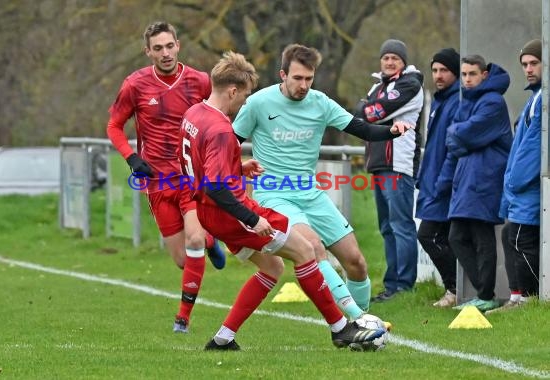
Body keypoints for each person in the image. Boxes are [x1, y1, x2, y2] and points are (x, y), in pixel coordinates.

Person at [178, 51, 386, 351]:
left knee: (272, 268)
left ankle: (223, 338)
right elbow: (216, 187)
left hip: (210, 212)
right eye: (245, 96)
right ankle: (342, 328)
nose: (245, 103)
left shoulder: (194, 114)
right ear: (233, 91)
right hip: (230, 213)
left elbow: (200, 167)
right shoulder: (222, 128)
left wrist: (237, 166)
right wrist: (252, 218)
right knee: (306, 250)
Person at [233, 43, 412, 321]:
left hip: (311, 193)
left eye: (309, 78)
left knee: (356, 263)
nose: (304, 85)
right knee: (313, 247)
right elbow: (229, 143)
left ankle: (362, 326)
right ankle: (357, 320)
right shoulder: (258, 103)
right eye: (297, 78)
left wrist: (391, 131)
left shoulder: (320, 102)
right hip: (274, 195)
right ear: (283, 75)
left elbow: (360, 128)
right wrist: (238, 168)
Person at [106, 21, 226, 334]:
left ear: (178, 45)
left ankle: (182, 320)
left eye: (169, 46)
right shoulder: (135, 85)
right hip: (157, 183)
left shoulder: (200, 82)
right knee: (183, 260)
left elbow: (219, 116)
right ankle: (211, 241)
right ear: (148, 52)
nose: (165, 53)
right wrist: (132, 158)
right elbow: (113, 126)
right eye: (157, 48)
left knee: (194, 238)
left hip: (189, 176)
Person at [437, 55, 512, 312]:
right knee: (456, 236)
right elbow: (455, 137)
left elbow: (464, 132)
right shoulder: (468, 102)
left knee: (481, 237)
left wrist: (460, 134)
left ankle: (486, 294)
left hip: (485, 179)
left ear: (484, 75)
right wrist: (460, 135)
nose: (467, 79)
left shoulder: (493, 102)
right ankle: (483, 291)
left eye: (472, 74)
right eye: (465, 74)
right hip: (467, 179)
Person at [356, 39, 424, 302]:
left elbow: (371, 114)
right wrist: (366, 110)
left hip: (398, 163)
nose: (390, 62)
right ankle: (391, 285)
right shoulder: (378, 85)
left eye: (395, 58)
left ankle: (404, 286)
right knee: (386, 227)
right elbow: (358, 113)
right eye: (386, 57)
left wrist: (368, 109)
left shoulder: (410, 83)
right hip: (378, 164)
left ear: (403, 62)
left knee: (401, 225)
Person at [487, 39, 543, 314]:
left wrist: (514, 181)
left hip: (529, 188)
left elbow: (533, 149)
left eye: (534, 63)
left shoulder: (542, 99)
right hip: (521, 188)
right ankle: (518, 297)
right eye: (525, 64)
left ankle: (531, 300)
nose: (529, 69)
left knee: (521, 239)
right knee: (512, 235)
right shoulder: (535, 98)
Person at [415, 48, 460, 308]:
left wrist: (443, 181)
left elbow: (452, 150)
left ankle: (456, 288)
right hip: (433, 182)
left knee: (429, 235)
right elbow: (432, 146)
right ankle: (455, 288)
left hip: (445, 185)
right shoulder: (440, 100)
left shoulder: (456, 102)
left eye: (444, 70)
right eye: (435, 70)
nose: (438, 75)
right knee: (439, 237)